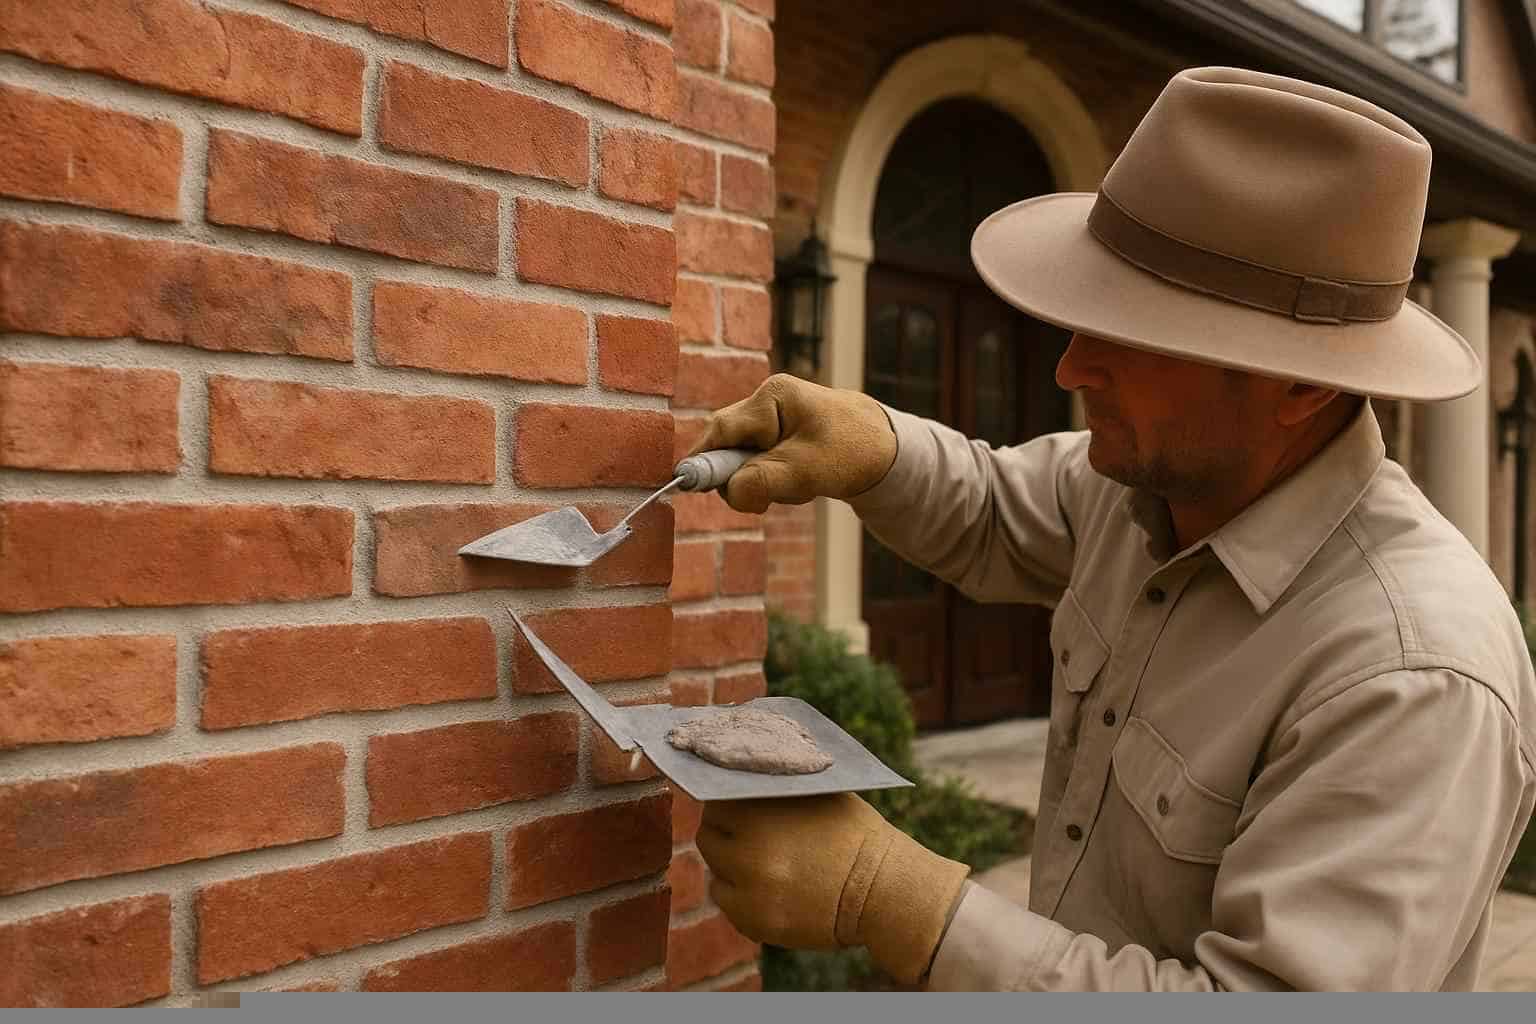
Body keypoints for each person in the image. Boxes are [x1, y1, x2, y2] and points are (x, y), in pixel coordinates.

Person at [688, 67, 1536, 991]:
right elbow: (991, 507)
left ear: (1302, 384)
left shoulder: (1411, 676)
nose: (1070, 366)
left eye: (1128, 333)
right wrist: (877, 449)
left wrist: (900, 905)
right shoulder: (1153, 488)